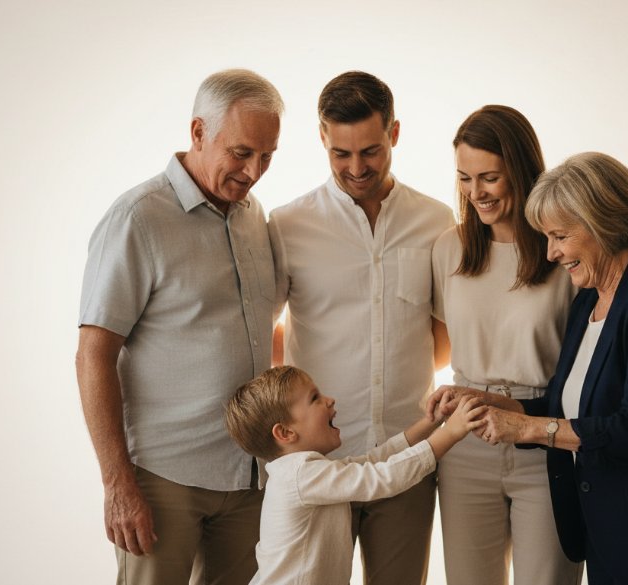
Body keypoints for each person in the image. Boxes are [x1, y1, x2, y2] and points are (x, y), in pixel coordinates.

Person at [438, 152, 628, 584]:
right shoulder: (589, 300)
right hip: (613, 530)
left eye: (560, 235)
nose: (551, 252)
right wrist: (492, 402)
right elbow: (571, 404)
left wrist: (526, 430)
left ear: (601, 224)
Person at [75, 69, 283, 585]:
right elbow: (92, 356)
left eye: (267, 155)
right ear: (197, 132)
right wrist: (118, 485)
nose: (253, 170)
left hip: (248, 475)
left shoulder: (254, 216)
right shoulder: (137, 218)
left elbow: (258, 331)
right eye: (240, 152)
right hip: (163, 480)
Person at [268, 71, 454, 585]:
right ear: (322, 138)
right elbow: (263, 333)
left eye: (370, 151)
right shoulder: (287, 225)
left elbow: (444, 339)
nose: (356, 168)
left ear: (394, 133)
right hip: (318, 465)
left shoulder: (437, 221)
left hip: (407, 454)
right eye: (340, 154)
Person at [430, 105, 584, 585]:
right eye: (464, 178)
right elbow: (436, 345)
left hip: (544, 440)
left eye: (489, 177)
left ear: (519, 170)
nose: (476, 192)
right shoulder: (448, 250)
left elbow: (605, 337)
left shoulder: (564, 251)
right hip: (466, 441)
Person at [224, 366, 485, 585]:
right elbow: (382, 477)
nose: (329, 400)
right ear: (285, 433)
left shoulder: (305, 471)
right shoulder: (301, 475)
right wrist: (450, 433)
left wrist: (432, 422)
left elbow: (374, 460)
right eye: (314, 398)